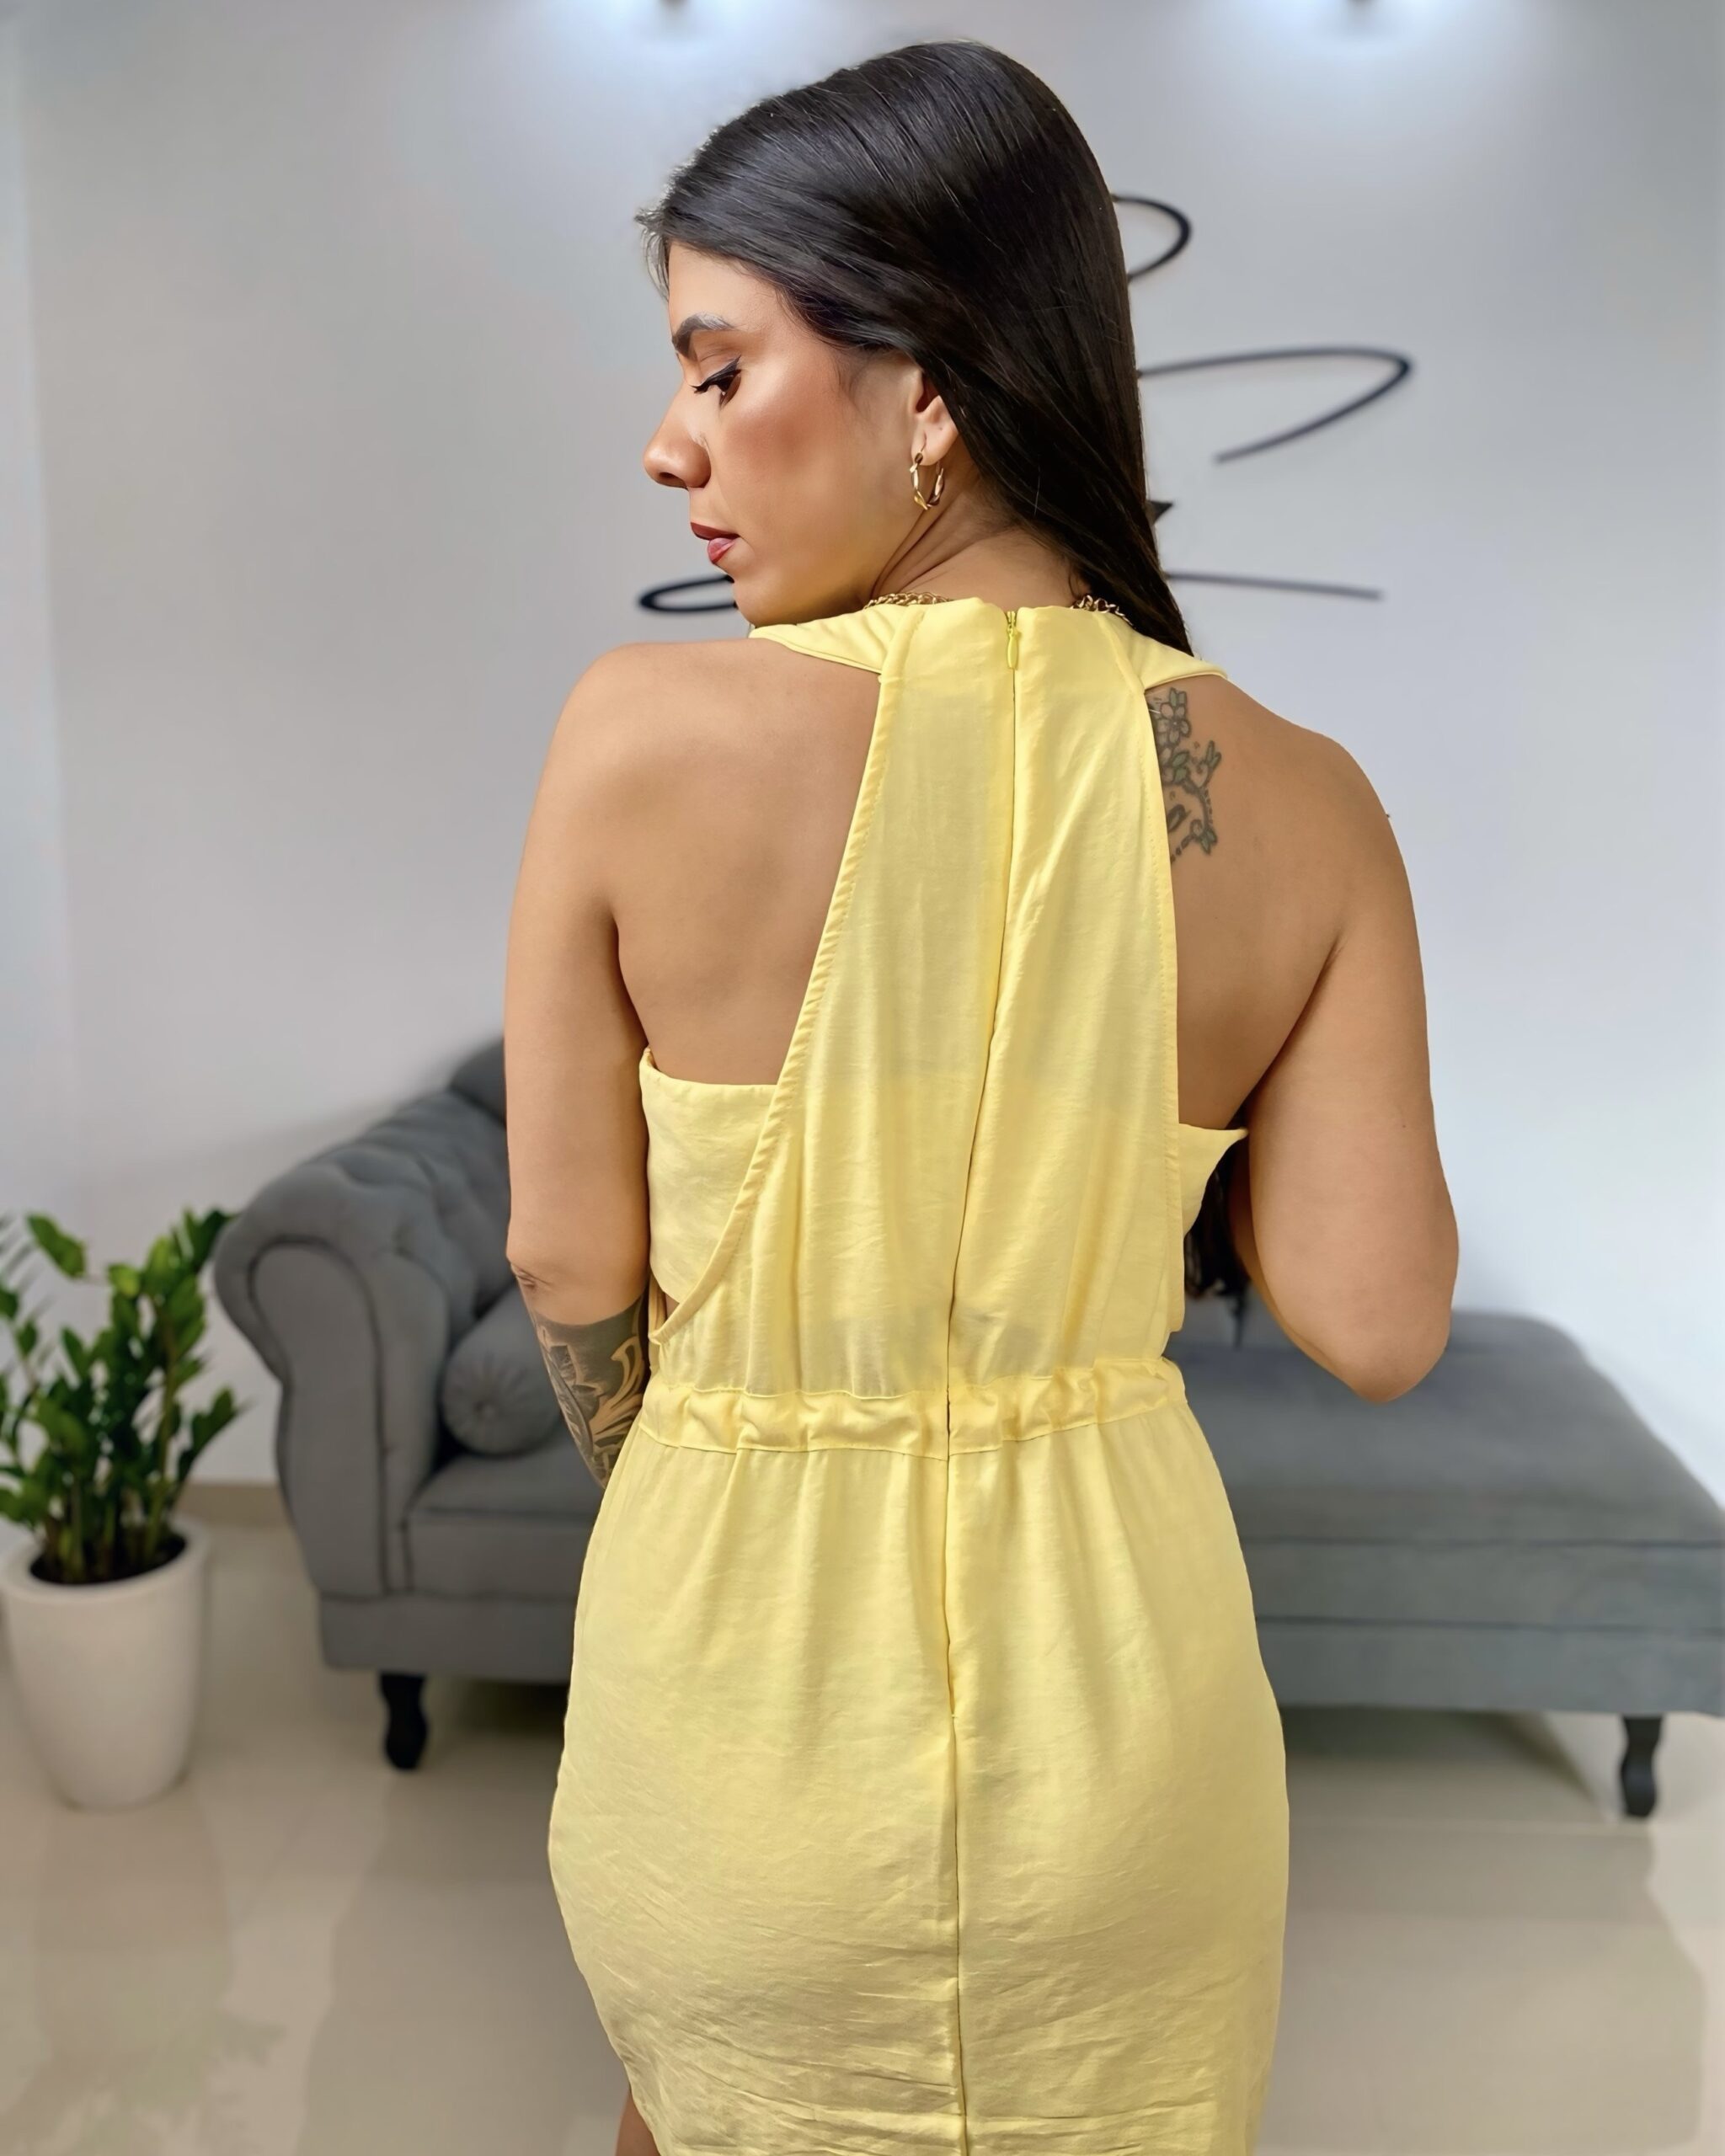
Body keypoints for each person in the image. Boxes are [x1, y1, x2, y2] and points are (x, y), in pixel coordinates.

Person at [503, 37, 1456, 2156]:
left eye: (718, 367)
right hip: (1130, 1754)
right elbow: (1379, 1318)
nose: (668, 443)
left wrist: (717, 1468)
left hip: (743, 1714)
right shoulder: (1303, 799)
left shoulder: (635, 738)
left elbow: (568, 1253)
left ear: (924, 388)